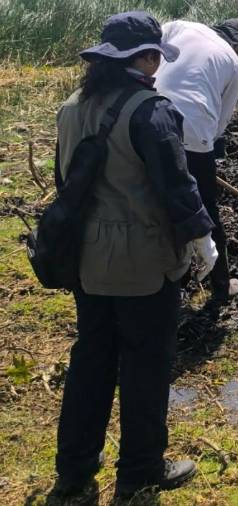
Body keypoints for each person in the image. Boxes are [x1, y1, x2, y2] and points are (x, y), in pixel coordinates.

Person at [46, 11, 217, 504]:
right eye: (155, 57)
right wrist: (202, 240)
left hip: (86, 260)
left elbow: (66, 187)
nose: (157, 66)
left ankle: (73, 474)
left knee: (91, 360)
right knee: (146, 363)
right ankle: (141, 471)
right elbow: (176, 188)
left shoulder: (72, 106)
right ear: (142, 59)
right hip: (142, 261)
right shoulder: (151, 110)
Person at [156, 18, 238, 309]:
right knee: (205, 209)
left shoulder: (179, 26)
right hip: (195, 134)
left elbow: (152, 55)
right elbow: (220, 124)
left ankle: (165, 279)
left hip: (147, 118)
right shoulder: (234, 65)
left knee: (154, 202)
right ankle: (222, 287)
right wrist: (201, 154)